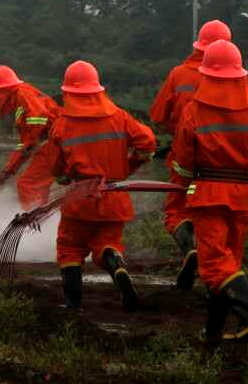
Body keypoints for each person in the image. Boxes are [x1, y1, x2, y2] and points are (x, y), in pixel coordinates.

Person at [171, 40, 248, 343]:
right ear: (240, 73)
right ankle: (213, 331)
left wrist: (182, 189)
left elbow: (183, 164)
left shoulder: (194, 110)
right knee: (227, 264)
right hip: (241, 195)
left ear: (206, 74)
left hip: (208, 194)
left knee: (214, 264)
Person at [42, 60, 156, 311]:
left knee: (70, 247)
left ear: (68, 92)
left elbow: (56, 169)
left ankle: (73, 306)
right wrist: (129, 166)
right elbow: (147, 143)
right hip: (115, 196)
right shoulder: (119, 116)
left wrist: (65, 179)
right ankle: (114, 261)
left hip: (80, 199)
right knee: (107, 242)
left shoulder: (62, 125)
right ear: (97, 89)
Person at [149, 19, 232, 290]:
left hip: (184, 154)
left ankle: (189, 250)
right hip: (224, 161)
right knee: (215, 215)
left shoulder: (179, 74)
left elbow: (158, 116)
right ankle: (218, 272)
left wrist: (177, 133)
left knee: (177, 209)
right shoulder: (237, 79)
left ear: (199, 44)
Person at [0, 65, 60, 210]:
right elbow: (26, 142)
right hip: (53, 142)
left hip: (54, 143)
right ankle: (41, 215)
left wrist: (30, 142)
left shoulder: (22, 93)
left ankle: (33, 219)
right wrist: (10, 168)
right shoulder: (20, 97)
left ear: (1, 90)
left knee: (28, 185)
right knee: (37, 186)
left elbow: (38, 117)